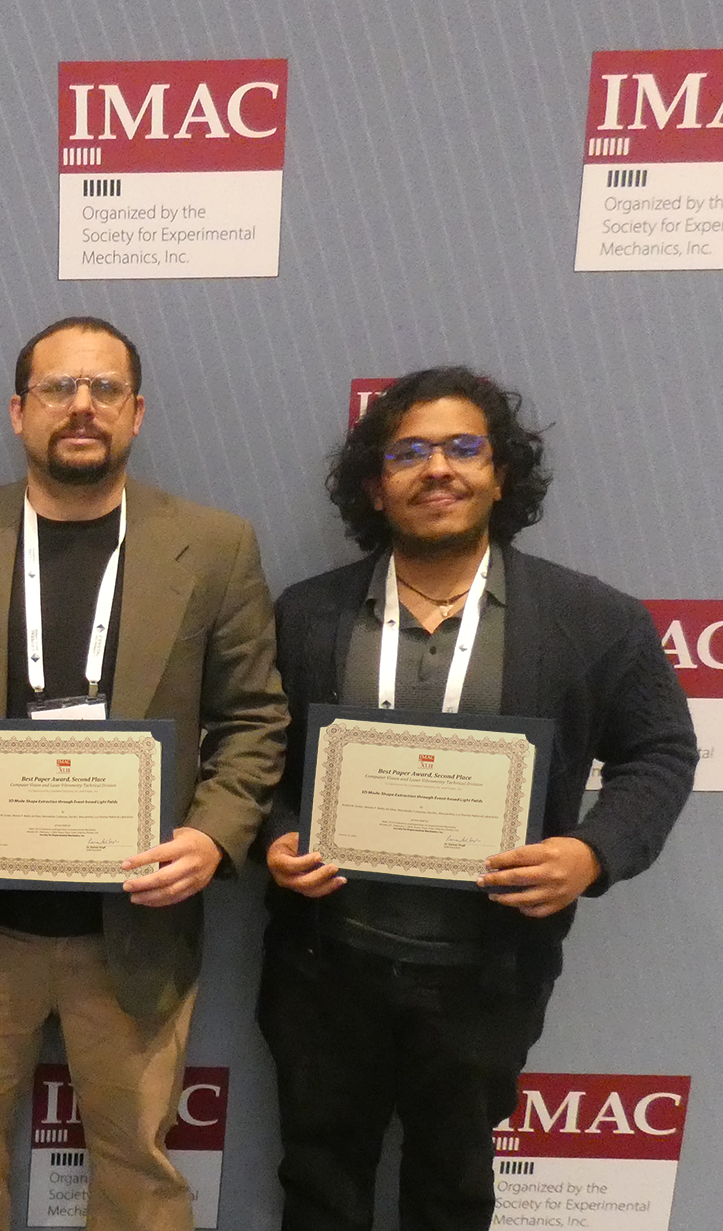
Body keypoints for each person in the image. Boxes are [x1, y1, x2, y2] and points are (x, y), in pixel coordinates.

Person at [0, 316, 287, 1231]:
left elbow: (255, 719)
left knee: (137, 1166)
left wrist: (212, 836)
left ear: (138, 411)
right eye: (58, 388)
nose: (82, 406)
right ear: (19, 412)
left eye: (104, 389)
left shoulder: (215, 547)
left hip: (136, 924)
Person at [259, 366, 698, 1231]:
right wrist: (274, 834)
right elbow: (258, 757)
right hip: (325, 968)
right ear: (375, 486)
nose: (438, 468)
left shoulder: (592, 618)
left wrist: (592, 852)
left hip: (486, 975)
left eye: (464, 448)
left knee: (453, 1194)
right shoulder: (305, 615)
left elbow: (662, 750)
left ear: (500, 474)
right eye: (409, 452)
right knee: (318, 1185)